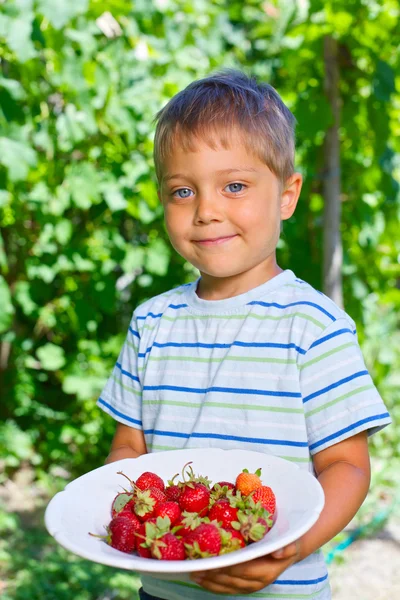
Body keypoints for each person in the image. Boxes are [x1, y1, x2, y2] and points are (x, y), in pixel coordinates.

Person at [97, 70, 391, 600]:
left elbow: (347, 468)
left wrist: (290, 549)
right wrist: (121, 500)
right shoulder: (151, 324)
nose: (206, 210)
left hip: (282, 588)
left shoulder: (313, 327)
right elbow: (127, 446)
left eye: (234, 186)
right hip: (167, 590)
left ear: (287, 194)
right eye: (182, 191)